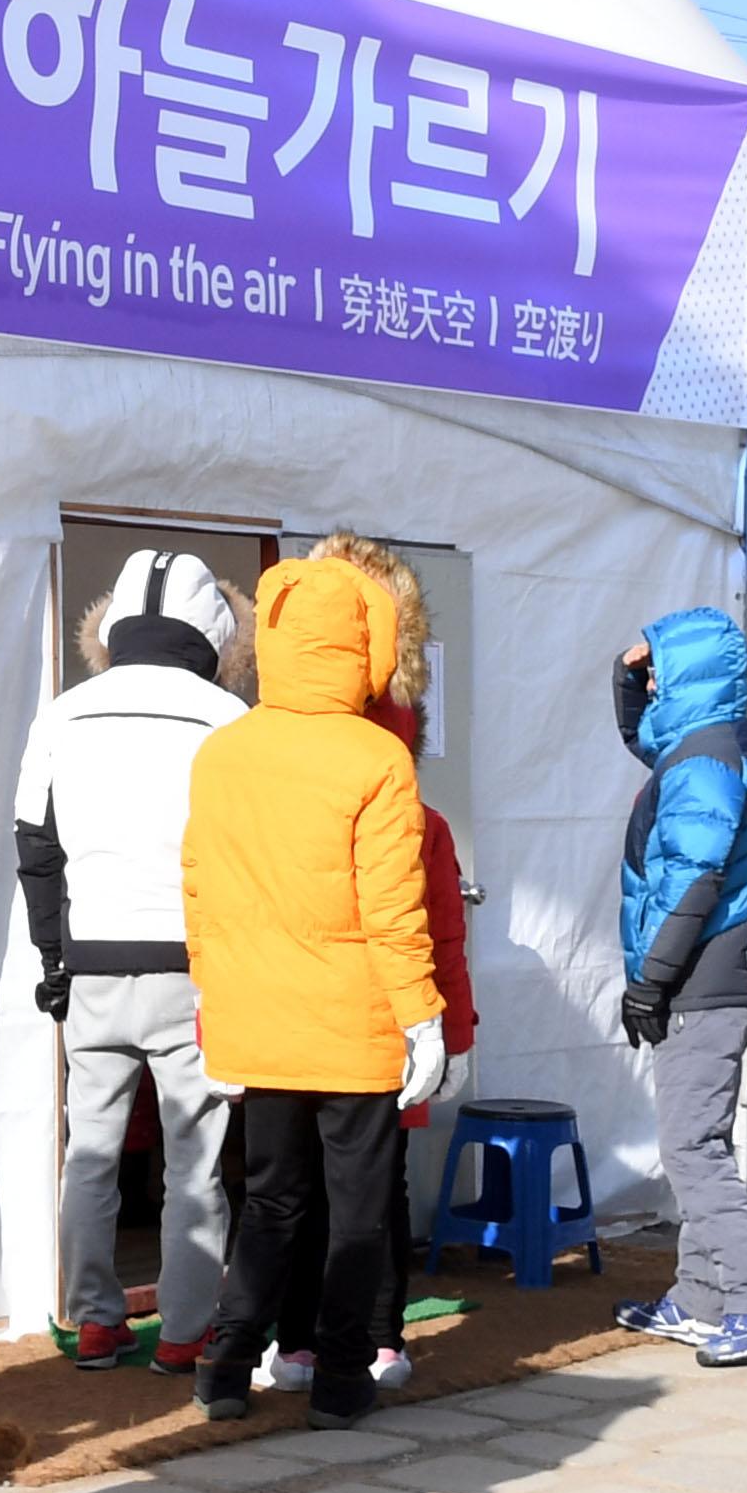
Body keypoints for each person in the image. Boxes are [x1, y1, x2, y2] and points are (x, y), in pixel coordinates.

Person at [184, 554, 447, 1433]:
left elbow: (202, 898)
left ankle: (226, 1366)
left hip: (259, 1021)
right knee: (360, 1213)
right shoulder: (378, 756)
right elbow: (393, 907)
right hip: (356, 1022)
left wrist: (215, 1012)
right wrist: (424, 1018)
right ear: (367, 643)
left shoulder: (222, 752)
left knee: (270, 1203)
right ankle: (339, 1377)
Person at [14, 549, 248, 1373]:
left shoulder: (64, 713)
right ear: (210, 631)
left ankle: (95, 1325)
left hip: (92, 964)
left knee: (92, 1151)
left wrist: (54, 956)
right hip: (194, 969)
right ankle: (185, 1334)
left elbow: (35, 846)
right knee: (197, 1161)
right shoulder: (228, 718)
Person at [264, 531, 476, 1396]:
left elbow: (422, 913)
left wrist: (446, 1028)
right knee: (350, 1180)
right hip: (347, 987)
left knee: (328, 1182)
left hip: (336, 989)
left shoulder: (319, 735)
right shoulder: (370, 739)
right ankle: (358, 1337)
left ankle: (333, 1337)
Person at [604, 608, 747, 1369]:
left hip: (703, 977)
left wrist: (651, 981)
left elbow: (696, 878)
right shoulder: (709, 744)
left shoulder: (706, 760)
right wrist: (623, 675)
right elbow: (644, 738)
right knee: (695, 1138)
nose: (646, 684)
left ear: (684, 676)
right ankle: (699, 1297)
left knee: (690, 1147)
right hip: (710, 974)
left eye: (654, 675)